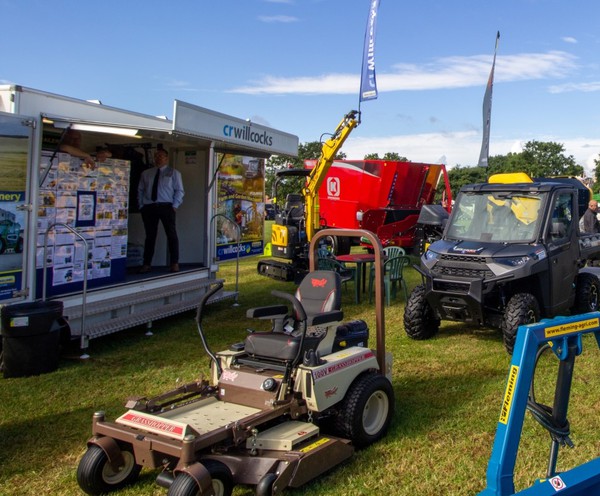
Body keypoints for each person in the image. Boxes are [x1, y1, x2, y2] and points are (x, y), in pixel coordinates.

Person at [137, 148, 184, 273]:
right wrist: (141, 205)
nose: (158, 158)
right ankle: (146, 263)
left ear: (167, 158)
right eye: (156, 156)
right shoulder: (146, 173)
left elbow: (179, 190)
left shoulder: (173, 173)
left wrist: (175, 205)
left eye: (161, 156)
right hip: (149, 207)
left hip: (166, 206)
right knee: (150, 236)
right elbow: (140, 190)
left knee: (171, 234)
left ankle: (174, 262)